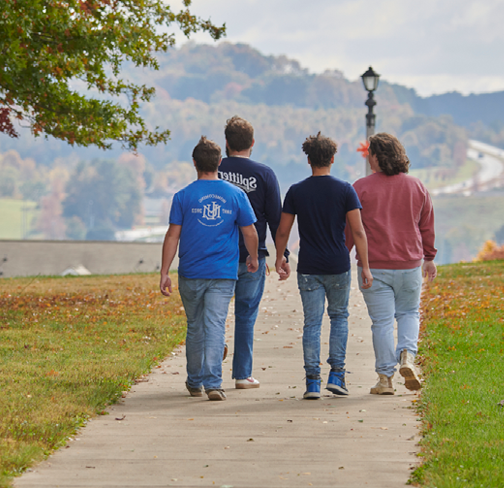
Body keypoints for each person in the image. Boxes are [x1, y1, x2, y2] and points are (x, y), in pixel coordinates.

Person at [274, 132, 373, 400]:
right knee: (339, 317)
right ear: (332, 158)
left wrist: (279, 257)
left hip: (308, 266)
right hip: (338, 265)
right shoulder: (345, 190)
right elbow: (359, 231)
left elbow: (283, 231)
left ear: (308, 160)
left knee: (312, 323)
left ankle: (312, 383)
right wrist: (365, 266)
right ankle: (337, 375)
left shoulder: (296, 191)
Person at [160, 136, 260, 401]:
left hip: (191, 271)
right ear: (219, 162)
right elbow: (249, 231)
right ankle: (213, 383)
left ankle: (194, 381)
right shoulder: (236, 194)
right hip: (222, 272)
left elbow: (172, 236)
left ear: (194, 162)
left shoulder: (182, 196)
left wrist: (164, 272)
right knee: (215, 325)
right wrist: (253, 257)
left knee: (195, 326)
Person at [346, 132, 437, 395]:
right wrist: (429, 257)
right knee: (409, 312)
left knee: (382, 322)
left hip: (374, 266)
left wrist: (345, 251)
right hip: (409, 263)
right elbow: (426, 226)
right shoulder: (417, 186)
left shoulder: (360, 187)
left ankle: (385, 379)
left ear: (375, 156)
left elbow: (351, 229)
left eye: (369, 155)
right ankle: (407, 354)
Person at [217, 116, 288, 389]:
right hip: (252, 256)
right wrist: (281, 256)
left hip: (218, 254)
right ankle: (242, 375)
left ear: (226, 143)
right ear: (252, 143)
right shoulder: (265, 174)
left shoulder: (215, 169)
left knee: (215, 311)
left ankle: (217, 346)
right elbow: (275, 219)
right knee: (246, 314)